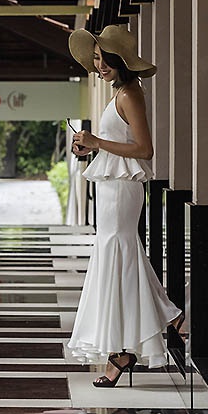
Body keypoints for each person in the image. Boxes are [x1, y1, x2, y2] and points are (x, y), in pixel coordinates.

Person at [67, 25, 183, 387]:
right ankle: (153, 330)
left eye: (105, 60)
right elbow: (117, 143)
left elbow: (145, 150)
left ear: (121, 61)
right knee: (121, 257)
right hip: (112, 188)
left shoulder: (130, 93)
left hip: (121, 190)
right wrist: (89, 146)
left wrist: (97, 141)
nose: (99, 66)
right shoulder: (119, 93)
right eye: (96, 59)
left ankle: (136, 341)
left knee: (120, 254)